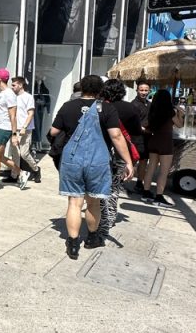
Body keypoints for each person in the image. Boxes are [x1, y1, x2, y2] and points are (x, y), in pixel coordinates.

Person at [49, 74, 133, 259]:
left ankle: (72, 244)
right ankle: (92, 238)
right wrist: (128, 161)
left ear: (81, 88)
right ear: (100, 90)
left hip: (72, 160)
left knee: (74, 202)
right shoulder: (107, 108)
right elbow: (116, 136)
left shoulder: (68, 106)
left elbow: (54, 131)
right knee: (93, 201)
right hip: (98, 160)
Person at [97, 79, 143, 237]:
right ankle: (109, 217)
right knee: (114, 186)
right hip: (121, 152)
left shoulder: (99, 106)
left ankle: (99, 215)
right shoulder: (130, 108)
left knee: (99, 184)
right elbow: (137, 130)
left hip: (101, 150)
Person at [141, 88, 179, 206]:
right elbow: (180, 124)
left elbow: (145, 125)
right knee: (163, 171)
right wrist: (180, 114)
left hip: (153, 141)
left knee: (151, 168)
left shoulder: (153, 111)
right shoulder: (170, 112)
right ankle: (159, 196)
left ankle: (146, 192)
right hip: (165, 143)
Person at [5, 76, 41, 185]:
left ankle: (36, 169)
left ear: (20, 85)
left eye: (14, 85)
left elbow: (31, 113)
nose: (12, 87)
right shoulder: (12, 97)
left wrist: (25, 127)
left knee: (24, 153)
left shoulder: (28, 97)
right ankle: (14, 175)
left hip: (25, 129)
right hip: (15, 129)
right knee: (15, 153)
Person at [131, 80, 151, 193]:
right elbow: (134, 123)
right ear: (137, 90)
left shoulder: (149, 104)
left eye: (146, 90)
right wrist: (146, 129)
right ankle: (119, 182)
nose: (143, 92)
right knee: (132, 161)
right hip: (136, 138)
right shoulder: (133, 104)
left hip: (146, 138)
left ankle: (139, 183)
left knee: (144, 161)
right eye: (141, 90)